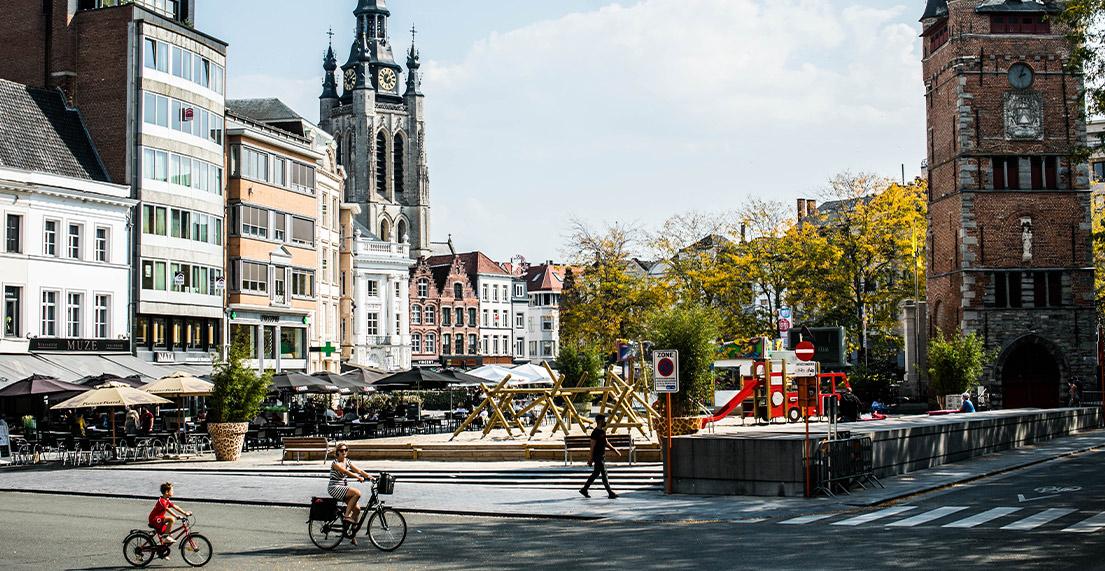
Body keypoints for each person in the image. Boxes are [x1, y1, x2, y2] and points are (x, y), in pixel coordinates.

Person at [328, 443, 375, 545]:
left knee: (357, 510)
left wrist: (371, 477)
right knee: (357, 493)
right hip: (335, 488)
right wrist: (357, 477)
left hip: (343, 488)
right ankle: (346, 516)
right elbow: (345, 472)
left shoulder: (347, 461)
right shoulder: (335, 463)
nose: (344, 452)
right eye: (341, 451)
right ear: (337, 453)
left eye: (345, 450)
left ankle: (352, 535)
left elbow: (358, 470)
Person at [579, 414, 622, 499]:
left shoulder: (602, 431)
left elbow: (606, 443)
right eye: (603, 420)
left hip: (602, 455)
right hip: (597, 456)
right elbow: (592, 446)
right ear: (599, 421)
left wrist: (615, 450)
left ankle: (584, 489)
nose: (604, 422)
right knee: (604, 472)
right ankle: (610, 492)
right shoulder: (595, 433)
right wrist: (590, 459)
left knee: (595, 473)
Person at [148, 482, 190, 559]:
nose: (173, 492)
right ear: (167, 492)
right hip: (154, 519)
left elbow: (175, 507)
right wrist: (176, 516)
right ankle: (165, 537)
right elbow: (167, 509)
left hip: (159, 519)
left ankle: (161, 552)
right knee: (171, 519)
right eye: (172, 491)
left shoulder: (166, 500)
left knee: (169, 533)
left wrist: (184, 513)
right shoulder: (162, 501)